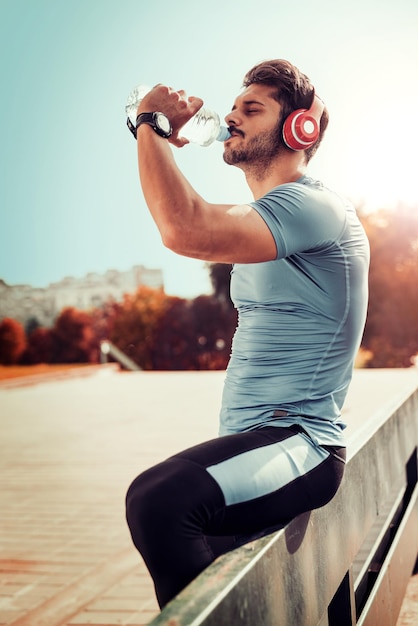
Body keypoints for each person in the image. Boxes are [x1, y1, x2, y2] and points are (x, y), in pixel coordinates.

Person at [125, 59, 370, 609]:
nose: (232, 117)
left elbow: (183, 228)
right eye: (234, 107)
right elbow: (184, 218)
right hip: (252, 443)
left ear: (299, 129)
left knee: (159, 502)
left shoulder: (315, 206)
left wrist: (152, 124)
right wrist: (153, 133)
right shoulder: (262, 216)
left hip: (302, 444)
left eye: (251, 109)